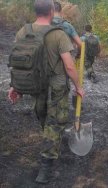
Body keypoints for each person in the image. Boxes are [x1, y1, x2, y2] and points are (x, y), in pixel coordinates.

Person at [8, 0, 85, 184]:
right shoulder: (58, 34)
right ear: (52, 11)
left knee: (44, 117)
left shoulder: (23, 31)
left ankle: (51, 141)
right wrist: (78, 86)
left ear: (36, 11)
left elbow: (20, 60)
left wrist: (15, 86)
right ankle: (46, 169)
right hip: (57, 86)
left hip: (36, 85)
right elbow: (69, 66)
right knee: (56, 122)